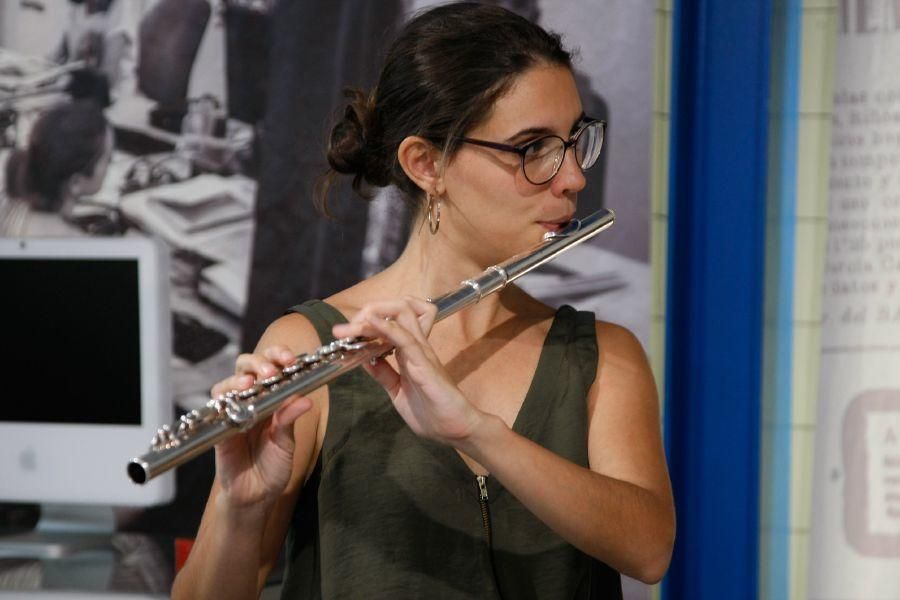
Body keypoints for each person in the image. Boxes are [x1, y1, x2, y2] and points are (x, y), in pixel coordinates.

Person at [172, 3, 674, 598]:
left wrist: (477, 432)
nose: (572, 178)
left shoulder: (601, 356)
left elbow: (648, 551)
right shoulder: (309, 347)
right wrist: (242, 506)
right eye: (532, 148)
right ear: (427, 163)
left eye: (572, 142)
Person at [1, 100, 115, 236]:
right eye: (108, 160)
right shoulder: (75, 244)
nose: (110, 164)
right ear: (76, 182)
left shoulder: (15, 206)